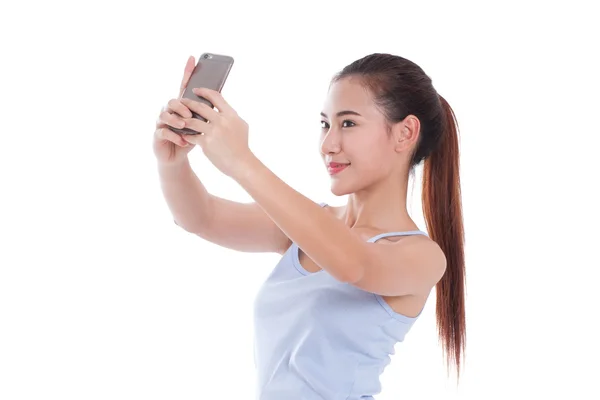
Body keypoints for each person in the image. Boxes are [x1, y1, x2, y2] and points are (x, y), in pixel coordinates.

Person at [154, 52, 466, 399]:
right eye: (325, 124)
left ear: (405, 133)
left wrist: (242, 162)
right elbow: (202, 217)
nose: (328, 144)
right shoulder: (308, 225)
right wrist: (172, 163)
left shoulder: (421, 256)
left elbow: (354, 265)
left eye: (348, 124)